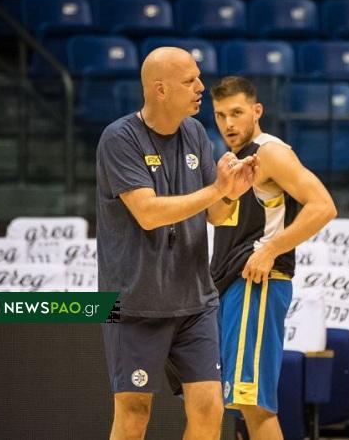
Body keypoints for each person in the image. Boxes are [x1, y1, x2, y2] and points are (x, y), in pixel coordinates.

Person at [96, 47, 255, 440]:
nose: (201, 87)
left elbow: (214, 214)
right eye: (190, 81)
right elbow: (148, 213)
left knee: (209, 408)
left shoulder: (195, 132)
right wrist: (216, 190)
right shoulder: (119, 138)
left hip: (195, 301)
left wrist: (231, 194)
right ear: (160, 89)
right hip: (135, 304)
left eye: (198, 77)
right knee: (134, 415)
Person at [209, 76, 337, 440]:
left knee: (254, 403)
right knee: (232, 400)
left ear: (257, 110)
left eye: (236, 113)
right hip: (228, 282)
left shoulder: (270, 152)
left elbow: (324, 207)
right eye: (220, 115)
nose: (228, 123)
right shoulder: (230, 160)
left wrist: (270, 249)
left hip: (257, 283)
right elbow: (216, 218)